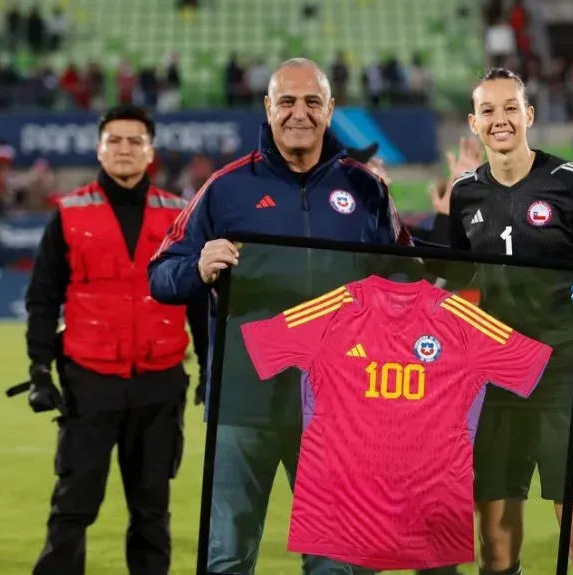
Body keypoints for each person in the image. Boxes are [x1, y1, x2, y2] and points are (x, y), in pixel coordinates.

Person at [148, 58, 413, 575]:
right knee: (226, 557)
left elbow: (405, 273)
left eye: (312, 102)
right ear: (267, 108)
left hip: (338, 410)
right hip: (244, 406)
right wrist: (197, 268)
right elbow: (162, 273)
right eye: (287, 101)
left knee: (337, 562)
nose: (300, 113)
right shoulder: (225, 188)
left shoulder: (367, 191)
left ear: (330, 109)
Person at [446, 68, 573, 575]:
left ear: (528, 116)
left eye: (509, 108)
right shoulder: (463, 197)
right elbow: (456, 283)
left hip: (565, 382)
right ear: (474, 124)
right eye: (488, 111)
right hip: (495, 386)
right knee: (497, 549)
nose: (500, 119)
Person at [22, 104, 209, 575]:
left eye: (134, 142)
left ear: (151, 152)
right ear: (99, 148)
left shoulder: (180, 216)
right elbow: (42, 300)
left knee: (151, 513)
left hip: (160, 384)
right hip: (89, 383)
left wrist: (211, 370)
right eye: (115, 141)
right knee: (72, 508)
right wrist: (39, 371)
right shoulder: (68, 214)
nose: (124, 150)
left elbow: (199, 303)